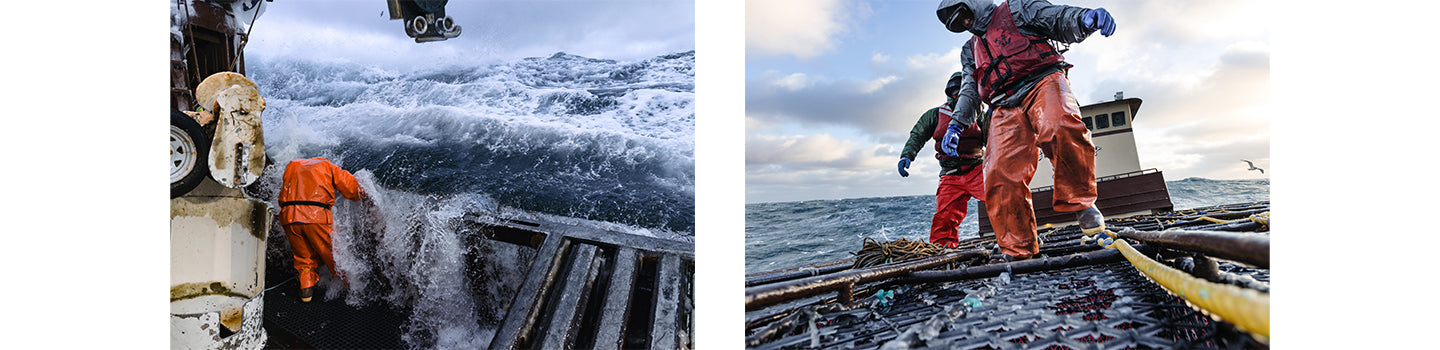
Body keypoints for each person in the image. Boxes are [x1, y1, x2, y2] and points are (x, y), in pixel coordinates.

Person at [934, 0, 1115, 261]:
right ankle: (1017, 249)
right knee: (998, 172)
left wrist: (1084, 19)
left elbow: (1056, 17)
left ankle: (1083, 204)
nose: (965, 24)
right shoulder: (969, 49)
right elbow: (970, 89)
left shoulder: (1017, 8)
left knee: (1060, 124)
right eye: (956, 24)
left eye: (963, 15)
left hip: (1042, 81)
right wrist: (956, 124)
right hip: (1002, 104)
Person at [898, 72, 987, 249]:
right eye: (953, 91)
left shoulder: (980, 115)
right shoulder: (935, 115)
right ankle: (943, 251)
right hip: (950, 174)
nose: (957, 95)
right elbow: (917, 135)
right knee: (944, 217)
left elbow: (995, 137)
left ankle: (1015, 240)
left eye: (960, 90)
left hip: (978, 169)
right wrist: (906, 155)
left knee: (1002, 200)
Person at [278, 157, 366, 302]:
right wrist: (365, 192)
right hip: (315, 216)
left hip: (289, 217)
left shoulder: (292, 165)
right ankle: (354, 290)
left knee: (304, 258)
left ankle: (306, 292)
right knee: (335, 256)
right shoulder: (328, 165)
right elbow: (351, 190)